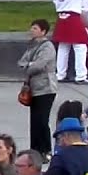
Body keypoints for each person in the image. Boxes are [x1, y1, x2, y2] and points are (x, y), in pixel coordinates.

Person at [18, 20, 57, 158]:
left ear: (43, 31)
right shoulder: (32, 46)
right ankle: (34, 151)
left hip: (46, 88)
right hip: (33, 89)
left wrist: (30, 65)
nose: (32, 30)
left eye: (35, 28)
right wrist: (30, 64)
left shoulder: (47, 47)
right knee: (34, 122)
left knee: (42, 121)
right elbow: (21, 62)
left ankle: (46, 151)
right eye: (32, 27)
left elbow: (39, 65)